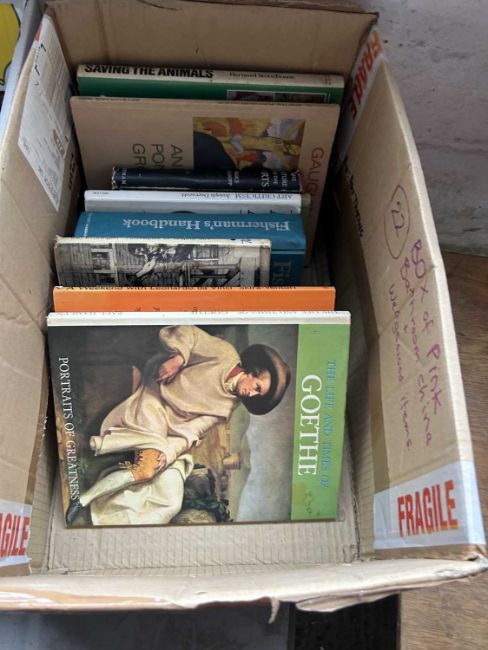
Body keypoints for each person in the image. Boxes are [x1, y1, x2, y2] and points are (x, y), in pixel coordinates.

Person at [66, 324, 291, 525]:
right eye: (257, 387)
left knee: (170, 501)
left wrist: (169, 452)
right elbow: (190, 333)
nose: (252, 393)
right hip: (152, 400)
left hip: (170, 433)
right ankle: (83, 500)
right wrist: (179, 359)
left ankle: (111, 522)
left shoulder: (227, 407)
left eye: (258, 394)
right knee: (146, 470)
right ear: (253, 373)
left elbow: (191, 432)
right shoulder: (225, 355)